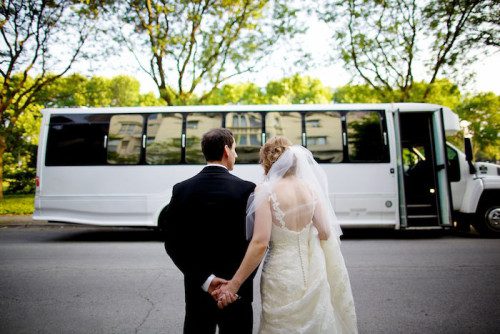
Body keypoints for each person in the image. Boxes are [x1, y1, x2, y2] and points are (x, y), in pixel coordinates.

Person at [213, 136, 358, 333]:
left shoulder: (265, 190)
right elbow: (324, 232)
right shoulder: (310, 189)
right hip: (309, 271)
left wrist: (234, 284)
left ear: (267, 161)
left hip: (279, 273)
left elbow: (260, 242)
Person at [162, 128, 256, 334]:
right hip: (236, 292)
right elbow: (255, 243)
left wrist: (205, 280)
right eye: (234, 149)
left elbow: (172, 243)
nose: (236, 155)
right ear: (225, 150)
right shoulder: (247, 189)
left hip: (198, 291)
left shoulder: (181, 189)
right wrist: (234, 285)